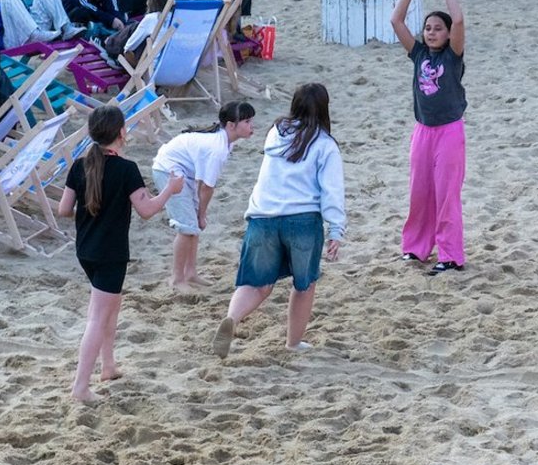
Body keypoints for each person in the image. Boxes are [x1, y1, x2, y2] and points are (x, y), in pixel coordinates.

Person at [57, 104, 184, 403]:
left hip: (85, 249)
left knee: (110, 307)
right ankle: (80, 387)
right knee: (97, 318)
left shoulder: (80, 165)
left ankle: (108, 365)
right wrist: (170, 190)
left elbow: (63, 210)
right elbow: (147, 210)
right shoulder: (125, 169)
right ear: (122, 133)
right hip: (111, 252)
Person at [212, 82, 344, 358]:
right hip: (302, 220)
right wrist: (336, 229)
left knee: (257, 283)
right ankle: (293, 342)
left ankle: (232, 319)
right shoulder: (324, 144)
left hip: (263, 216)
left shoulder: (275, 133)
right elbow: (332, 190)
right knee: (304, 283)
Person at [390, 0, 466, 276]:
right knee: (419, 192)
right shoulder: (418, 52)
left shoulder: (453, 57)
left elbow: (459, 22)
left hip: (449, 131)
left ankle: (450, 255)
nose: (431, 32)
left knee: (446, 193)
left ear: (447, 34)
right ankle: (416, 248)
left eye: (438, 29)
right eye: (428, 28)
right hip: (422, 131)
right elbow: (396, 21)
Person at [151, 101, 256, 293]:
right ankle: (177, 278)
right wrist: (201, 214)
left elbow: (203, 183)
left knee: (193, 227)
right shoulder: (217, 148)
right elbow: (207, 187)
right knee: (187, 226)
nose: (252, 126)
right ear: (231, 125)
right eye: (247, 121)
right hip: (169, 170)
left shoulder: (224, 142)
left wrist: (200, 213)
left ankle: (190, 273)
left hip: (183, 171)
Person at [100, 0, 173, 66]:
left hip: (151, 69)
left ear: (150, 2)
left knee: (135, 27)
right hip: (175, 70)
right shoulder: (176, 21)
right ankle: (112, 40)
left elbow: (128, 47)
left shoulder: (152, 18)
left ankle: (110, 43)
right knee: (135, 26)